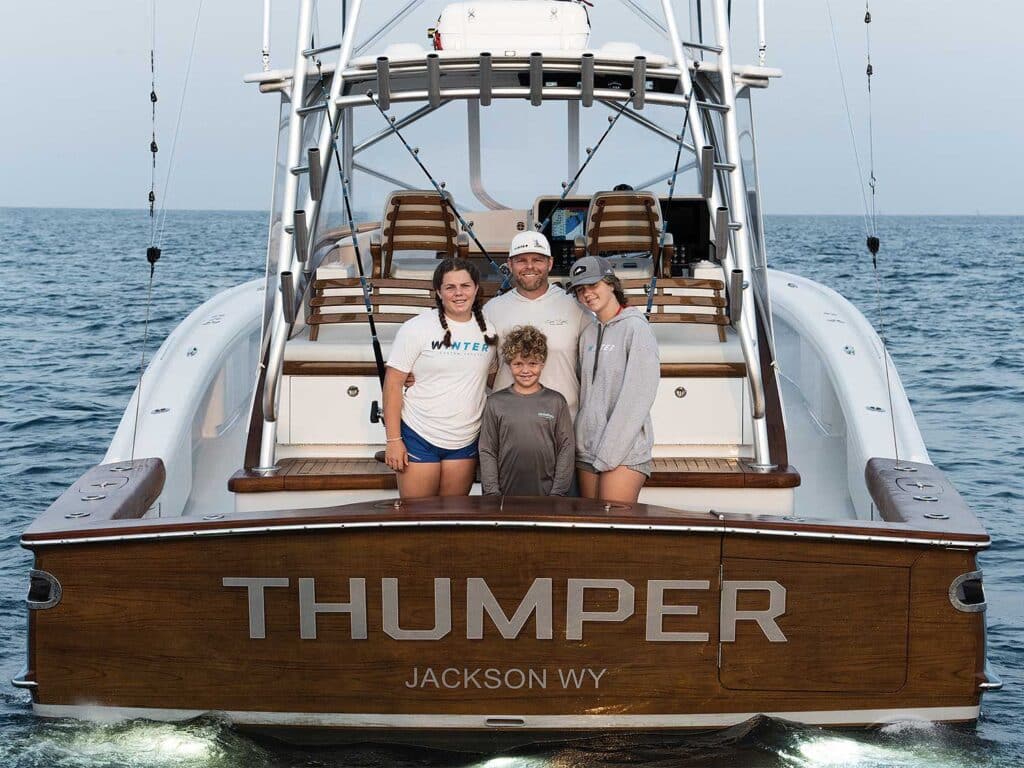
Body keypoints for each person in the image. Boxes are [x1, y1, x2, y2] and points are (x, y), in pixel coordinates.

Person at [382, 258, 497, 498]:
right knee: (416, 517)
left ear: (476, 288)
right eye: (450, 287)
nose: (458, 293)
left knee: (452, 519)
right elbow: (392, 384)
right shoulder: (416, 328)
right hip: (418, 436)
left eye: (465, 286)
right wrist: (393, 440)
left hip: (465, 440)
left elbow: (492, 379)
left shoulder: (490, 331)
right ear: (438, 291)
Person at [569, 255, 659, 504]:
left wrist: (609, 454)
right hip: (587, 450)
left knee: (615, 528)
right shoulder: (588, 333)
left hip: (624, 452)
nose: (587, 294)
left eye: (593, 285)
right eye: (580, 290)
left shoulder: (636, 329)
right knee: (590, 530)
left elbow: (638, 398)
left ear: (611, 283)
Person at [484, 231, 589, 418]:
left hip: (564, 422)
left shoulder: (577, 306)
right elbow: (484, 368)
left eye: (537, 260)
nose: (529, 266)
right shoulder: (491, 310)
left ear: (550, 263)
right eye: (521, 260)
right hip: (509, 421)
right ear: (510, 265)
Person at [479, 325, 575, 497]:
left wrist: (557, 493)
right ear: (509, 364)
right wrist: (492, 492)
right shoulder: (495, 402)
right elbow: (487, 449)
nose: (525, 370)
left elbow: (566, 448)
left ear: (542, 363)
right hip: (503, 495)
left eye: (532, 363)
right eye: (518, 364)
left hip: (548, 496)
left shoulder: (556, 402)